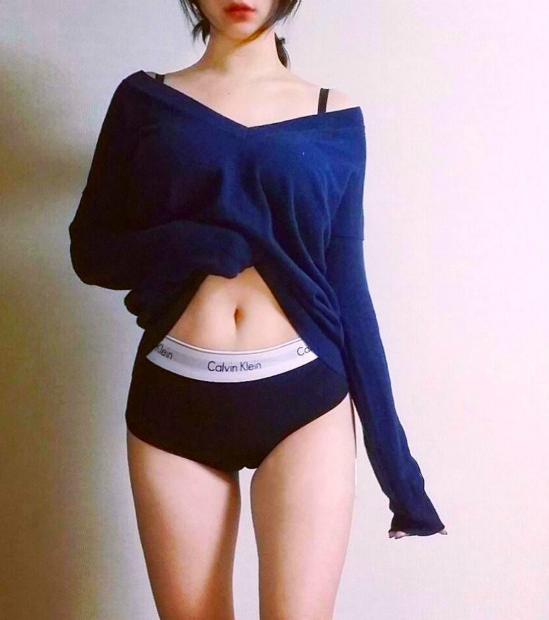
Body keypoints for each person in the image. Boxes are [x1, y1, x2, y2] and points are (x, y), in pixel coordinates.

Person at [68, 1, 447, 617]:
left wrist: (398, 472)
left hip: (305, 401)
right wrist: (195, 242)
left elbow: (349, 289)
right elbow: (92, 253)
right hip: (175, 402)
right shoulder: (144, 100)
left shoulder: (333, 116)